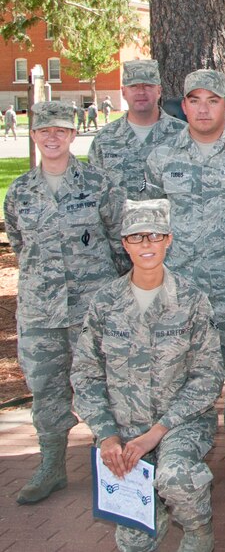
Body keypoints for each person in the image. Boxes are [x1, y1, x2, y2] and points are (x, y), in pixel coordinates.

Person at [144, 68, 225, 486]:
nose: (203, 108)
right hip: (180, 291)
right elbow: (150, 226)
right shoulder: (162, 158)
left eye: (212, 100)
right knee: (179, 373)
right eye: (195, 100)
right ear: (183, 106)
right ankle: (185, 447)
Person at [71, 199, 223, 551]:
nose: (146, 245)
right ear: (124, 243)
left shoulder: (192, 300)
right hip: (122, 430)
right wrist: (106, 435)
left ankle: (198, 527)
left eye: (154, 236)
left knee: (177, 476)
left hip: (180, 424)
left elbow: (208, 376)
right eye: (136, 237)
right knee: (134, 545)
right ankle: (153, 510)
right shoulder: (105, 302)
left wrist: (157, 433)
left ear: (168, 240)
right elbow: (85, 374)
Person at [4, 100, 126, 504]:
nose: (52, 137)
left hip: (91, 311)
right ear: (34, 136)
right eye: (44, 131)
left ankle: (113, 467)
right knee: (45, 389)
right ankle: (52, 465)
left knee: (104, 388)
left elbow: (119, 242)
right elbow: (21, 246)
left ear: (74, 135)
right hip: (40, 313)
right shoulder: (20, 191)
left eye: (60, 130)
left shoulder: (98, 184)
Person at [89, 60, 187, 198]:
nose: (141, 92)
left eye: (148, 86)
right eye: (133, 86)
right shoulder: (104, 139)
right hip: (121, 219)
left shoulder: (184, 135)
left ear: (159, 91)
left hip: (169, 219)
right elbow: (94, 191)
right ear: (123, 92)